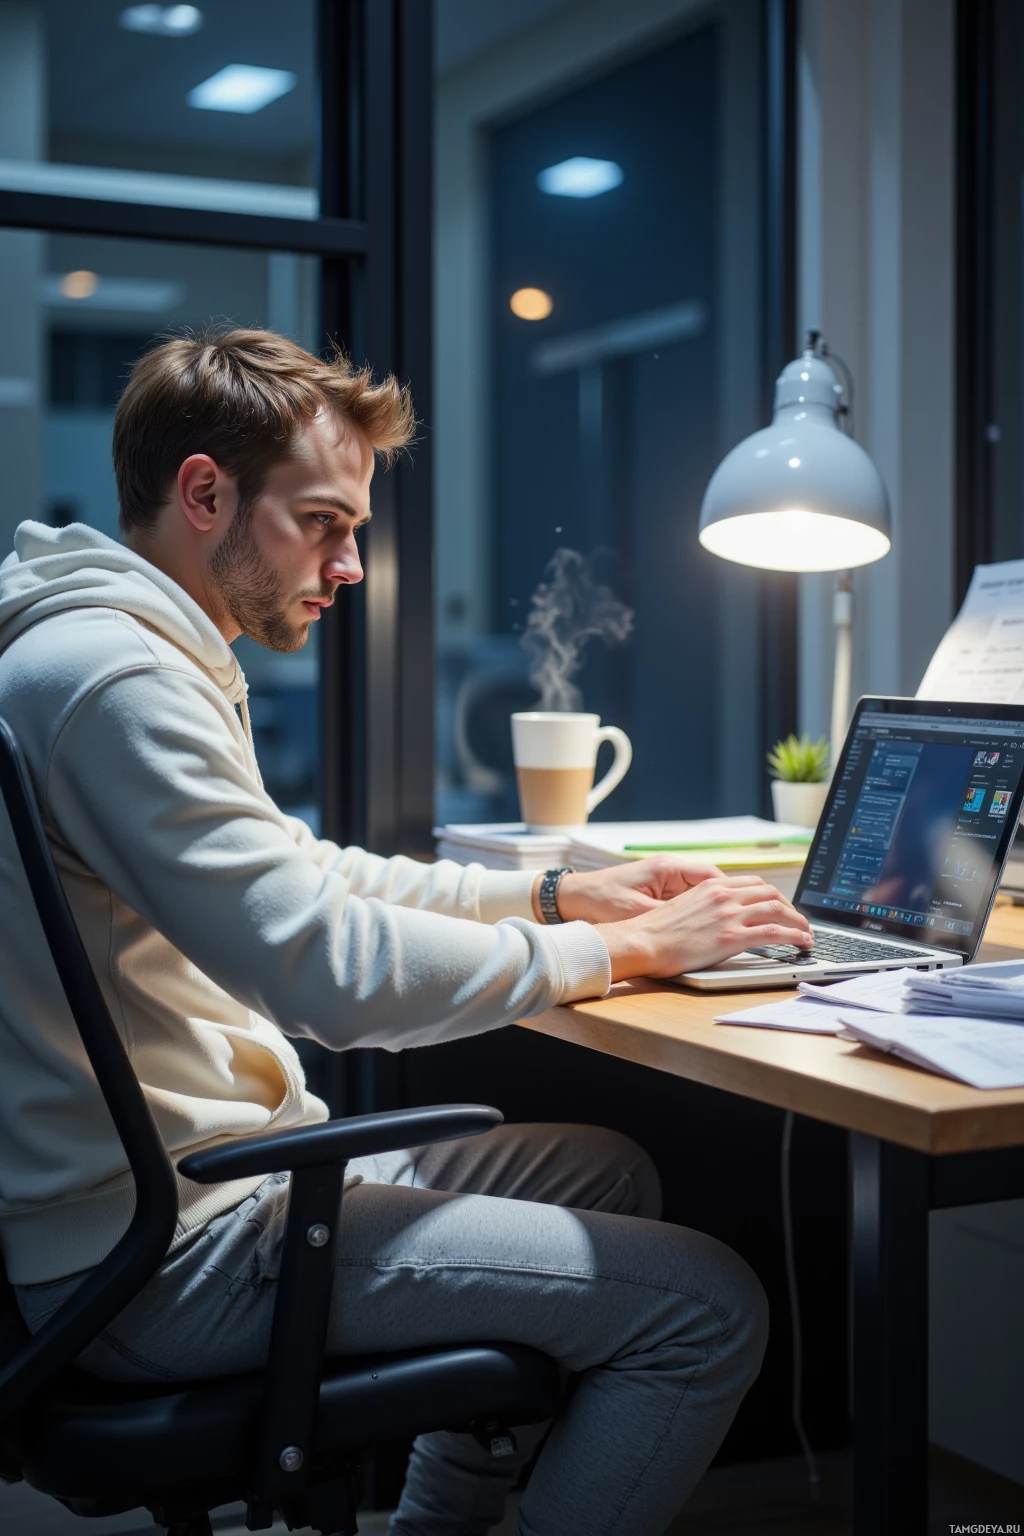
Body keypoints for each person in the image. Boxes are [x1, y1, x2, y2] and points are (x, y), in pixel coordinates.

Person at [0, 329, 813, 1536]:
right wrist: (625, 954)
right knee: (706, 1312)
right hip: (169, 1249)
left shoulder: (113, 647)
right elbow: (324, 969)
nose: (351, 565)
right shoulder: (117, 684)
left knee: (607, 1171)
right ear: (205, 492)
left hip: (177, 1195)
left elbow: (301, 877)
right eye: (324, 523)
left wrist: (551, 899)